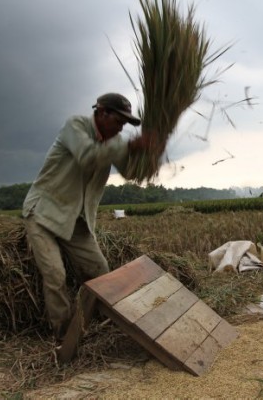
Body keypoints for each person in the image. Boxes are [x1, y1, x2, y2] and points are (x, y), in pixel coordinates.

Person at [22, 92, 159, 342]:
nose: (121, 129)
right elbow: (87, 157)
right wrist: (128, 145)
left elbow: (130, 172)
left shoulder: (114, 142)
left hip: (76, 219)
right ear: (102, 112)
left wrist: (148, 154)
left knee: (100, 272)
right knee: (55, 274)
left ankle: (96, 324)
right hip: (43, 213)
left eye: (125, 125)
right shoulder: (75, 126)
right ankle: (64, 336)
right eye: (118, 121)